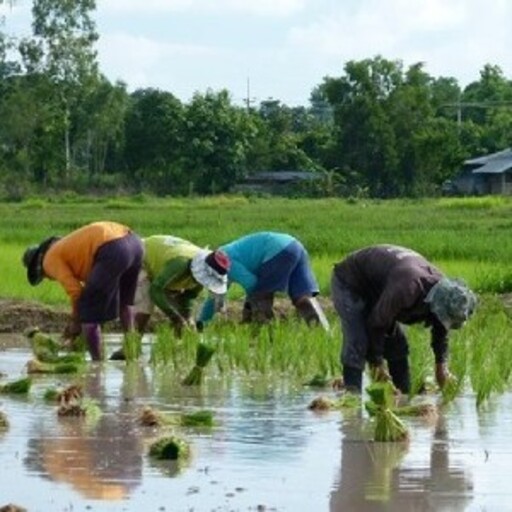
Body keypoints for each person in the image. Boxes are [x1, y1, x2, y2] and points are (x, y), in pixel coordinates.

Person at [331, 244, 477, 394]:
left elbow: (441, 327)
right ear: (438, 305)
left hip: (383, 287)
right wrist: (377, 364)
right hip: (351, 283)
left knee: (398, 345)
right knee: (358, 341)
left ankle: (404, 395)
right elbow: (377, 323)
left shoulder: (443, 291)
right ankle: (352, 401)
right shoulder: (408, 288)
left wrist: (441, 368)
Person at [22, 221, 144, 361]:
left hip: (112, 248)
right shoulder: (68, 249)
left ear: (39, 265)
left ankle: (97, 364)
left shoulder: (49, 260)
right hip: (135, 243)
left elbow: (76, 291)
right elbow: (97, 291)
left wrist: (76, 322)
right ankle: (132, 350)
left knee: (88, 313)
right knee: (125, 303)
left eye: (44, 276)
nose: (49, 278)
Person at [196, 231, 329, 331]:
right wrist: (201, 322)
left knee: (259, 295)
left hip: (276, 250)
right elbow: (214, 299)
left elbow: (252, 284)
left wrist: (247, 313)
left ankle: (264, 334)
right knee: (302, 298)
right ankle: (322, 333)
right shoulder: (221, 258)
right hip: (294, 245)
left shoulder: (225, 263)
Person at [131, 234, 230, 338]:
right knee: (146, 305)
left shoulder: (200, 276)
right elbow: (155, 289)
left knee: (184, 321)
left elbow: (188, 296)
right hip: (140, 256)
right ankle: (131, 344)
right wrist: (175, 318)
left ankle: (178, 345)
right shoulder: (180, 264)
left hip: (162, 271)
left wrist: (188, 317)